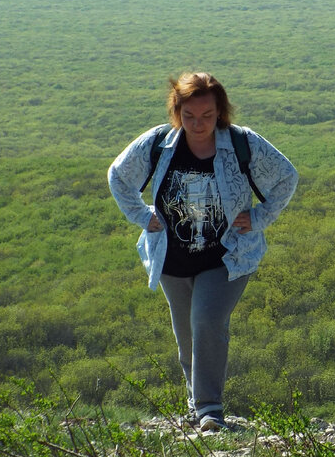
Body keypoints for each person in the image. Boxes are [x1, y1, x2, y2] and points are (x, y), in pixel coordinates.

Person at [109, 72, 298, 432]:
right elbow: (119, 176)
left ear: (220, 112)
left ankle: (210, 410)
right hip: (172, 258)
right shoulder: (159, 143)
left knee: (207, 320)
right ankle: (196, 405)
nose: (198, 124)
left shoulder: (243, 144)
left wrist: (259, 217)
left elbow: (286, 176)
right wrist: (140, 216)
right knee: (186, 335)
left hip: (227, 256)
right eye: (189, 115)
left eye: (207, 116)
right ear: (177, 110)